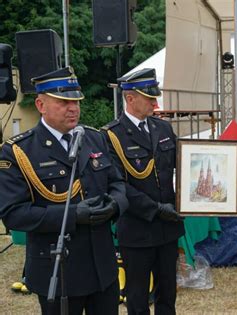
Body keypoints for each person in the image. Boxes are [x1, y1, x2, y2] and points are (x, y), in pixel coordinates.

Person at [0, 66, 128, 315]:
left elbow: (118, 183)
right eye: (63, 102)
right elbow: (14, 214)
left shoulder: (94, 138)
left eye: (76, 102)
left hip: (102, 267)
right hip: (58, 270)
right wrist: (72, 216)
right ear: (40, 105)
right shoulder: (18, 151)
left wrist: (114, 205)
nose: (73, 108)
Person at [102, 68, 184, 315]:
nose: (155, 103)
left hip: (167, 230)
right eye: (149, 98)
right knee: (137, 299)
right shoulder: (110, 136)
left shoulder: (163, 129)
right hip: (138, 230)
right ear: (130, 98)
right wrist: (156, 209)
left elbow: (184, 165)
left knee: (168, 294)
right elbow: (117, 184)